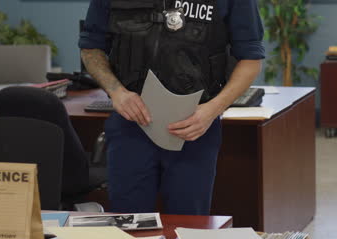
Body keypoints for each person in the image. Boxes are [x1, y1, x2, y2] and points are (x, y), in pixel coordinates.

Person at [79, 0, 264, 215]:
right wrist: (116, 91)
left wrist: (213, 110)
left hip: (194, 128)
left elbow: (250, 59)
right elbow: (91, 48)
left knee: (188, 228)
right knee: (129, 226)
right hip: (130, 126)